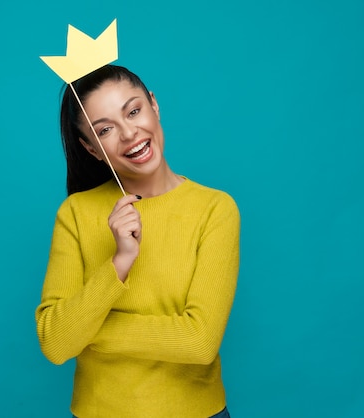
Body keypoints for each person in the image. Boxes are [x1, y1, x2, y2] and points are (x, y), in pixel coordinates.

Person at [35, 64, 240, 418]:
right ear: (91, 149)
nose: (130, 133)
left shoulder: (215, 209)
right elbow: (55, 343)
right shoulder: (76, 213)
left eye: (134, 111)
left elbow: (200, 342)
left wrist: (88, 330)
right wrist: (119, 262)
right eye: (106, 130)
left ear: (154, 105)